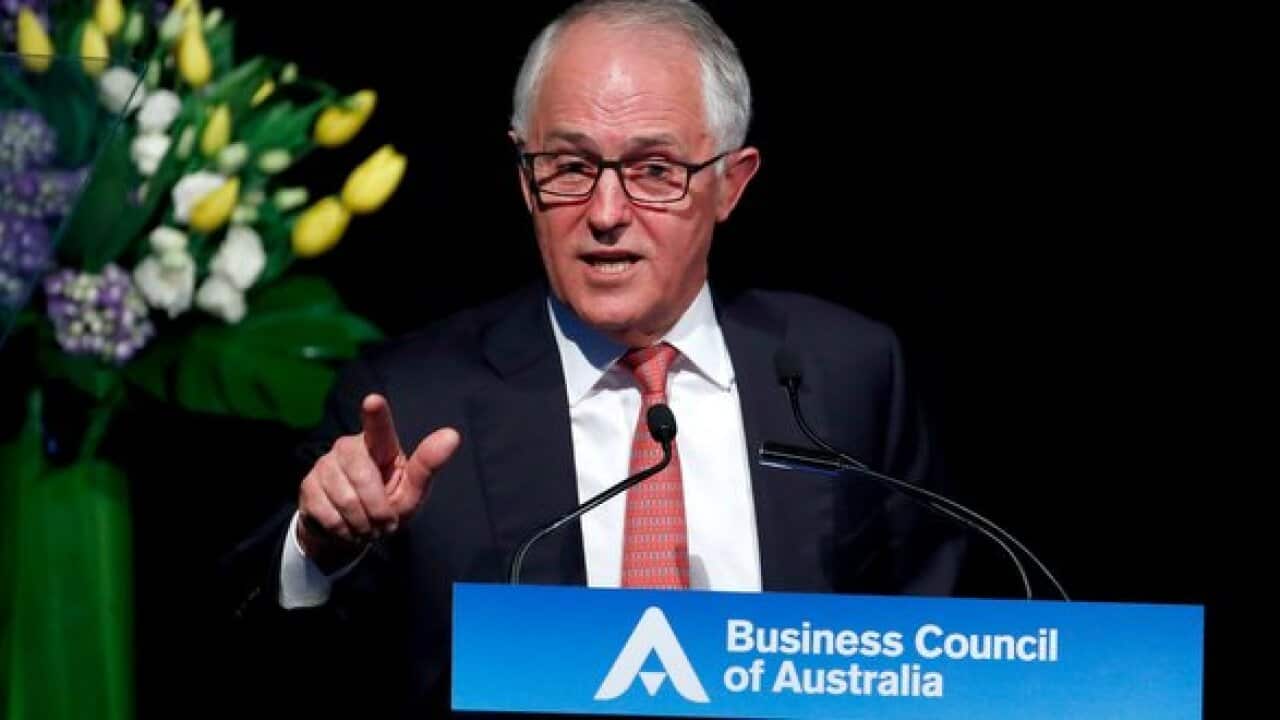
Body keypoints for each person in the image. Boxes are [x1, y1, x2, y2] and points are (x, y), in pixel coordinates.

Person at [229, 0, 963, 715]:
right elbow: (281, 676)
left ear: (729, 185)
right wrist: (317, 552)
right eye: (572, 166)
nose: (607, 214)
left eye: (653, 171)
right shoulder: (412, 402)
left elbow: (938, 660)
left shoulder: (846, 373)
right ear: (525, 178)